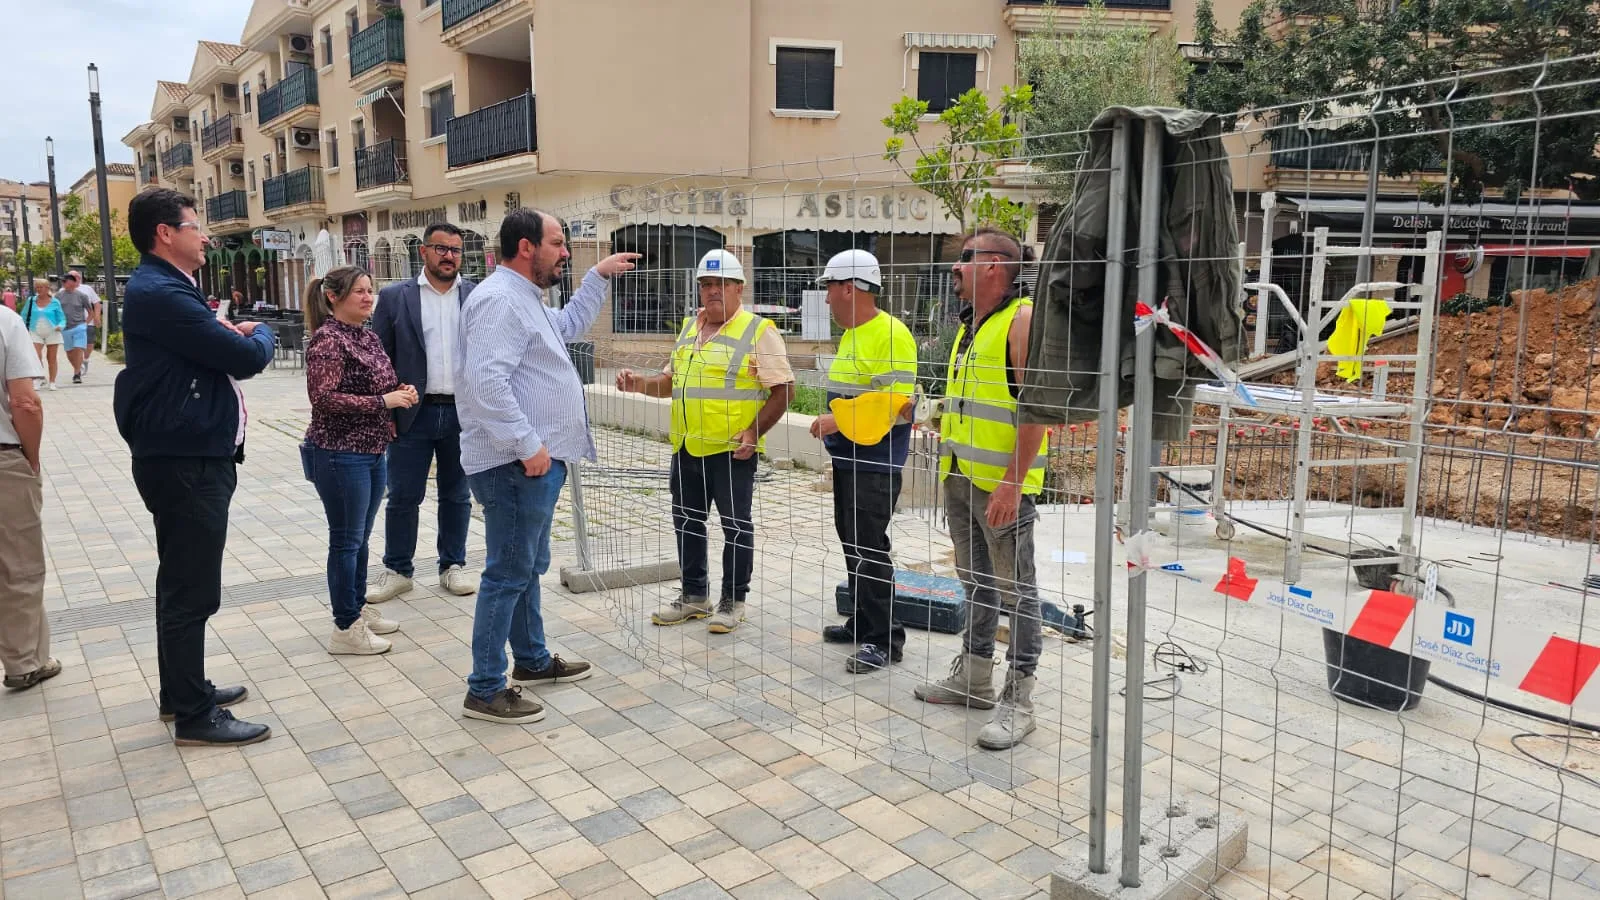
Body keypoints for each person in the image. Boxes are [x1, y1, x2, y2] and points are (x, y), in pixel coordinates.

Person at [455, 208, 638, 724]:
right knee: (507, 573)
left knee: (526, 568)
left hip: (530, 463)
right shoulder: (499, 300)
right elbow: (486, 383)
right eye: (558, 243)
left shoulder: (525, 299)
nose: (565, 252)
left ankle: (531, 660)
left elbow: (568, 327)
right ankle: (485, 688)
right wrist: (527, 444)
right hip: (516, 464)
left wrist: (596, 277)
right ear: (526, 247)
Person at [113, 187, 275, 746]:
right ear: (165, 233)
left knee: (180, 581)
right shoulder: (161, 291)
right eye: (194, 226)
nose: (205, 236)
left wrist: (228, 334)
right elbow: (243, 358)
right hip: (185, 461)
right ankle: (194, 715)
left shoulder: (165, 287)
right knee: (192, 589)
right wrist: (260, 332)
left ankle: (181, 691)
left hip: (184, 455)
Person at [913, 227, 1048, 751]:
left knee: (1018, 591)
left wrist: (1012, 482)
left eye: (965, 258)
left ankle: (1020, 699)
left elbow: (1035, 409)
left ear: (994, 265)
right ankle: (974, 679)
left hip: (1001, 487)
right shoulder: (972, 326)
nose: (954, 268)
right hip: (961, 476)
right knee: (975, 582)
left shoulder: (1021, 320)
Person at [617, 249, 795, 634]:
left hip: (731, 451)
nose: (713, 291)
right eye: (706, 284)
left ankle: (734, 600)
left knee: (735, 527)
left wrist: (754, 432)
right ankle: (694, 596)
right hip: (686, 447)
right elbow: (670, 383)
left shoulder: (758, 330)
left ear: (738, 288)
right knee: (687, 523)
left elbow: (784, 390)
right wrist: (639, 384)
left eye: (721, 284)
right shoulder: (689, 329)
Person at [808, 250, 918, 673]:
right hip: (849, 457)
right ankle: (863, 621)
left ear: (850, 289)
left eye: (830, 289)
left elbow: (895, 403)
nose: (826, 298)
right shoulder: (855, 333)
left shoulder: (891, 335)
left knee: (869, 547)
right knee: (852, 540)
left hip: (875, 462)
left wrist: (837, 420)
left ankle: (884, 640)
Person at [303, 266, 413, 655]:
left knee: (360, 539)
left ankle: (357, 607)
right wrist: (383, 402)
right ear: (333, 297)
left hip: (372, 450)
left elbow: (379, 383)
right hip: (340, 453)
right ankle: (345, 627)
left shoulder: (367, 336)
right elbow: (323, 398)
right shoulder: (328, 340)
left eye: (370, 290)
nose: (368, 298)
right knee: (346, 541)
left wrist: (399, 391)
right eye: (359, 292)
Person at [368, 223, 479, 605]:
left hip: (462, 414)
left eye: (455, 250)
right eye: (441, 248)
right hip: (412, 413)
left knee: (457, 495)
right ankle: (398, 570)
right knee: (402, 495)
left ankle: (453, 565)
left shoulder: (476, 296)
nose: (449, 256)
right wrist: (386, 410)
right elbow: (379, 359)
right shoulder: (395, 297)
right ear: (424, 252)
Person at [0, 302, 53, 690]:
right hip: (3, 458)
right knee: (17, 566)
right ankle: (23, 662)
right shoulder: (6, 322)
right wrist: (31, 457)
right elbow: (25, 401)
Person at [55, 272, 97, 385]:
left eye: (65, 281)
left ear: (72, 282)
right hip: (65, 328)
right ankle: (78, 368)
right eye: (62, 281)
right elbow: (55, 311)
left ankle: (77, 374)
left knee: (78, 349)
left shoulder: (82, 296)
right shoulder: (58, 296)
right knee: (69, 352)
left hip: (79, 326)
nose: (63, 283)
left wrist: (85, 324)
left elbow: (91, 312)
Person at [22, 280, 64, 390]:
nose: (38, 289)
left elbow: (62, 318)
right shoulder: (31, 300)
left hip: (52, 331)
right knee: (35, 356)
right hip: (35, 331)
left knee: (51, 358)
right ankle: (39, 378)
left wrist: (61, 326)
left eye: (41, 287)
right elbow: (24, 315)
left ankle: (52, 382)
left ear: (47, 288)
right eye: (37, 287)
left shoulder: (55, 302)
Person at [66, 272, 103, 376]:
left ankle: (85, 359)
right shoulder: (63, 290)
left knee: (89, 343)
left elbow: (97, 303)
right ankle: (79, 364)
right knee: (75, 346)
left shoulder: (87, 289)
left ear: (79, 278)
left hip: (88, 321)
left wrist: (97, 316)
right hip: (71, 323)